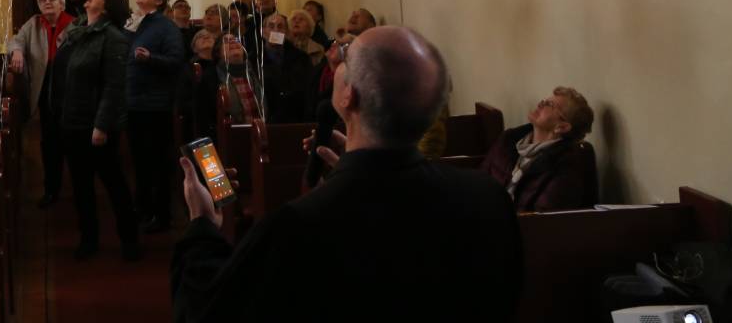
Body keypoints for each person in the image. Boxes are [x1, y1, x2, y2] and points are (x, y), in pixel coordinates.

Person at [170, 27, 522, 321]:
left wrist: (202, 225)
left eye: (347, 55)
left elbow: (206, 311)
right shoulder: (489, 198)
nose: (336, 56)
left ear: (347, 97)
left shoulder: (297, 227)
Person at [54, 0, 139, 261]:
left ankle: (130, 241)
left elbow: (114, 87)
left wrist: (101, 125)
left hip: (96, 124)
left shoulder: (113, 37)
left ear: (107, 5)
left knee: (113, 183)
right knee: (81, 187)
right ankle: (88, 239)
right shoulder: (77, 30)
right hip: (72, 120)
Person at [126, 0, 185, 235]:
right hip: (135, 101)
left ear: (159, 1)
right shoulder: (138, 22)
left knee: (157, 161)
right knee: (139, 160)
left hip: (155, 104)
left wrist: (151, 59)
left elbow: (175, 60)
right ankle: (143, 208)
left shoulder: (166, 27)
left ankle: (161, 214)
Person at [7, 0, 74, 205]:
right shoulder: (33, 24)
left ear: (62, 3)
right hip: (45, 94)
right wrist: (17, 50)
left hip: (70, 95)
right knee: (50, 144)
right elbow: (15, 40)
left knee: (72, 144)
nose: (47, 2)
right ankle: (51, 190)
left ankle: (77, 191)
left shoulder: (74, 25)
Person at [481, 87, 598, 212]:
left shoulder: (566, 164)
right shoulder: (508, 140)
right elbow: (479, 181)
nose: (541, 104)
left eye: (550, 105)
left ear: (562, 127)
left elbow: (543, 220)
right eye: (544, 100)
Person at [180, 29, 220, 141]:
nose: (206, 37)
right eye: (200, 36)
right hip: (199, 124)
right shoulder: (188, 69)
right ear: (194, 48)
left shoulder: (221, 66)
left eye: (209, 36)